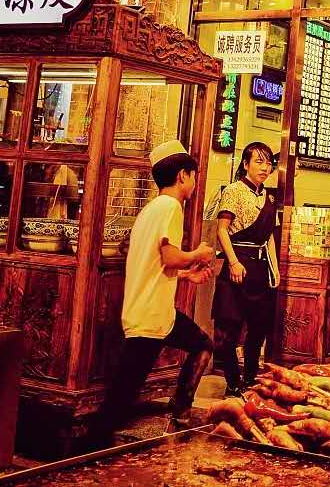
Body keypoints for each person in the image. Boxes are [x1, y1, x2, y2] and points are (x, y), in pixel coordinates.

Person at [93, 141, 215, 444]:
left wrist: (186, 275)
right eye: (194, 176)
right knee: (120, 398)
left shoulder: (151, 209)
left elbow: (155, 262)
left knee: (201, 344)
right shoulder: (171, 207)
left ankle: (180, 411)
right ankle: (89, 449)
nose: (195, 183)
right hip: (150, 316)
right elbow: (170, 257)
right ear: (183, 175)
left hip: (153, 312)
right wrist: (198, 254)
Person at [211, 142, 279, 397]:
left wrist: (274, 267)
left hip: (261, 268)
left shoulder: (269, 197)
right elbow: (221, 230)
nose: (265, 167)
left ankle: (250, 380)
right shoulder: (233, 191)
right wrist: (233, 262)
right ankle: (232, 382)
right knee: (228, 329)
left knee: (258, 328)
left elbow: (269, 236)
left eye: (268, 163)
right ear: (246, 164)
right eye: (259, 162)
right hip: (238, 264)